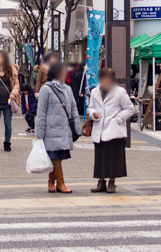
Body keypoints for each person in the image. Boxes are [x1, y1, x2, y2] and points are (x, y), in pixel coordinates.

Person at [36, 62, 82, 194]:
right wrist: (39, 133)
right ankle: (61, 183)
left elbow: (73, 109)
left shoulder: (67, 89)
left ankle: (51, 182)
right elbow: (41, 113)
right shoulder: (46, 89)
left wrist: (78, 129)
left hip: (64, 129)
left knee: (57, 157)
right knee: (55, 157)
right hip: (51, 130)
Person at [87, 68, 134, 193]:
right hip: (100, 129)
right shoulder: (95, 91)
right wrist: (93, 113)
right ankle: (101, 182)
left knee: (113, 157)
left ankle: (112, 182)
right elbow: (90, 107)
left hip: (114, 129)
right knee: (100, 158)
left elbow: (130, 108)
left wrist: (118, 119)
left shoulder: (120, 92)